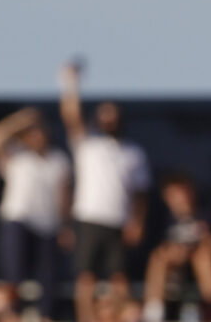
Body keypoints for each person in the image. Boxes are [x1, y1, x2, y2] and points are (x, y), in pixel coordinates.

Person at [61, 62, 152, 322]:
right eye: (104, 114)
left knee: (119, 278)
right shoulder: (87, 145)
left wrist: (138, 221)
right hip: (88, 218)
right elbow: (71, 115)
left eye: (112, 114)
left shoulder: (134, 153)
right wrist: (71, 83)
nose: (108, 119)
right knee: (86, 278)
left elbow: (140, 193)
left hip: (119, 221)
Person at [0, 107, 72, 321]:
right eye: (32, 133)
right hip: (17, 221)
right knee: (13, 275)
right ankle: (12, 316)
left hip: (48, 225)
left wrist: (66, 226)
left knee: (49, 277)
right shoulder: (15, 155)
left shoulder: (59, 160)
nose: (37, 137)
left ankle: (45, 316)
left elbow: (64, 196)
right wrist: (19, 121)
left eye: (41, 132)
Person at [143, 172, 211, 322]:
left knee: (203, 257)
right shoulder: (162, 219)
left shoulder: (206, 214)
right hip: (173, 265)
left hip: (201, 262)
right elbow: (157, 246)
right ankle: (153, 312)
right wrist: (175, 251)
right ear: (167, 197)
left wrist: (199, 247)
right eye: (174, 194)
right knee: (159, 258)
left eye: (183, 192)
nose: (181, 198)